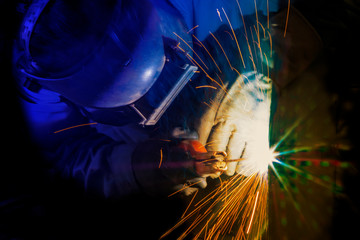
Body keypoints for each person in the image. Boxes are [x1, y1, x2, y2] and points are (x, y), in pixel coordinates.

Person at [14, 0, 321, 199]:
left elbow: (331, 11)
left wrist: (266, 54)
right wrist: (143, 166)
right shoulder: (40, 90)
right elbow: (68, 154)